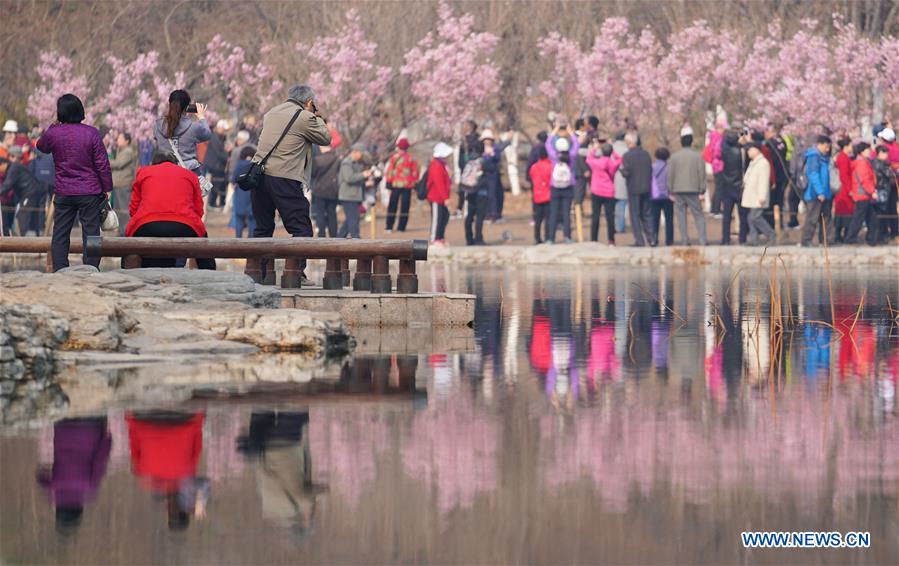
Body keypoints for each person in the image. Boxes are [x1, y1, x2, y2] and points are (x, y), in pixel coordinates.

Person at [252, 85, 331, 282]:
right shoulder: (305, 117)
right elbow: (326, 138)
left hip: (259, 176)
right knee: (301, 227)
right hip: (284, 177)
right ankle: (295, 273)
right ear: (309, 102)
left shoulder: (271, 113)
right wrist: (318, 117)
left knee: (263, 228)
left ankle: (258, 273)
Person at [37, 94, 112, 271]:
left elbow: (41, 146)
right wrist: (107, 187)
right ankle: (91, 268)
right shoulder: (91, 133)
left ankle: (61, 268)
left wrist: (52, 127)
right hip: (89, 191)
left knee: (60, 233)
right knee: (92, 234)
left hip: (64, 191)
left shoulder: (54, 134)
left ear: (60, 113)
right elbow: (102, 164)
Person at [126, 150, 215, 269]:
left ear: (153, 163)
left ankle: (127, 272)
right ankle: (210, 275)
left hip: (146, 224)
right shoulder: (190, 175)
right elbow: (198, 210)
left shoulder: (143, 173)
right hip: (185, 224)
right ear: (175, 163)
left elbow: (133, 209)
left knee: (128, 245)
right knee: (204, 247)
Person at [126, 411, 207, 531]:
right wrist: (130, 417)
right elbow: (134, 442)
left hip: (184, 418)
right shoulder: (146, 480)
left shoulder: (188, 476)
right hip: (144, 417)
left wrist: (199, 416)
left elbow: (197, 444)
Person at [36, 417, 112, 533]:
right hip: (63, 425)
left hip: (92, 426)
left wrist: (107, 439)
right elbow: (40, 478)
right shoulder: (54, 486)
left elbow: (100, 460)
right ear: (58, 509)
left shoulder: (91, 487)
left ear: (79, 510)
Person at [154, 90, 210, 178]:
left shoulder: (158, 126)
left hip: (164, 174)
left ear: (170, 104)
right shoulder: (193, 127)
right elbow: (207, 134)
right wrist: (201, 117)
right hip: (188, 174)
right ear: (187, 107)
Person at [466, 129, 508, 245]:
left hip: (492, 177)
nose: (488, 141)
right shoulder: (477, 156)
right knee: (476, 210)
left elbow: (497, 159)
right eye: (486, 139)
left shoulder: (495, 149)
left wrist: (492, 154)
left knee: (492, 195)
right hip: (479, 184)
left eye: (489, 139)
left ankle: (493, 214)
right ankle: (475, 237)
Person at [668, 128, 708, 246]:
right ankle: (702, 239)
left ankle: (685, 240)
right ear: (691, 141)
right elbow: (702, 173)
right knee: (698, 215)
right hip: (693, 189)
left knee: (681, 216)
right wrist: (702, 188)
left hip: (678, 189)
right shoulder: (698, 156)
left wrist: (670, 189)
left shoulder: (674, 157)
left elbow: (670, 174)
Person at [1, 146, 51, 235]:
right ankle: (34, 237)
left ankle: (26, 241)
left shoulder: (13, 168)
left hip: (30, 192)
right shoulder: (14, 167)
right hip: (34, 191)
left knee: (22, 214)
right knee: (32, 217)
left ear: (3, 164)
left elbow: (7, 185)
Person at [799, 135, 834, 247]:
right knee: (812, 218)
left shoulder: (824, 157)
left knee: (826, 218)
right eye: (826, 146)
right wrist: (819, 192)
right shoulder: (814, 157)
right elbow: (813, 175)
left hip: (825, 193)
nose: (827, 149)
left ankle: (825, 240)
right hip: (815, 194)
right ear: (819, 144)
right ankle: (806, 241)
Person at [619, 132, 654, 246]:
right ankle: (652, 238)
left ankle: (639, 240)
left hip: (633, 188)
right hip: (646, 187)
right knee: (647, 214)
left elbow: (627, 172)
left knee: (635, 215)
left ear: (629, 143)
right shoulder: (646, 154)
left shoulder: (627, 156)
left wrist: (621, 170)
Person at [585, 142, 621, 245]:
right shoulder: (612, 163)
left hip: (596, 191)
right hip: (609, 192)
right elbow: (619, 159)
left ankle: (594, 238)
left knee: (595, 216)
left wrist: (595, 149)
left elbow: (588, 158)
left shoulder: (596, 162)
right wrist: (612, 150)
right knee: (610, 217)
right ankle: (611, 239)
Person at [742, 142, 776, 246]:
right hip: (752, 195)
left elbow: (763, 181)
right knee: (751, 217)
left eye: (750, 150)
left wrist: (762, 196)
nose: (748, 152)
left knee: (755, 217)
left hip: (758, 196)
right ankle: (753, 239)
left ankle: (771, 234)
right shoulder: (754, 162)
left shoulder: (763, 163)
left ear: (756, 150)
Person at [844, 142, 878, 245]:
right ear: (862, 151)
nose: (870, 152)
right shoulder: (862, 163)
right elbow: (864, 180)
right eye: (868, 150)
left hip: (863, 195)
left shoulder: (862, 161)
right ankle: (851, 238)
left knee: (869, 218)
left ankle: (870, 239)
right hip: (862, 195)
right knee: (860, 218)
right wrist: (872, 192)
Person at [384, 138, 419, 233]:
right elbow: (415, 172)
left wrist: (388, 182)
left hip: (395, 184)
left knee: (392, 205)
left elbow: (390, 171)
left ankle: (389, 226)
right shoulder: (411, 158)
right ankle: (401, 227)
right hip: (407, 185)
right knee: (405, 206)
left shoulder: (394, 158)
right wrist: (415, 184)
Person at [719, 130, 747, 245]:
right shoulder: (741, 152)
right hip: (739, 186)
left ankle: (725, 239)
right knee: (743, 215)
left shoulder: (724, 152)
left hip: (727, 186)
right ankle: (742, 238)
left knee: (726, 216)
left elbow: (723, 144)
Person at [338, 143, 369, 239]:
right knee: (353, 220)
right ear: (355, 152)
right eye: (361, 153)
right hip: (348, 196)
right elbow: (349, 178)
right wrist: (363, 175)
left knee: (350, 220)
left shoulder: (358, 163)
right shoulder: (346, 163)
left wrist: (367, 180)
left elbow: (357, 178)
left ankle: (338, 238)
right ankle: (356, 239)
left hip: (356, 196)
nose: (362, 155)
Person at [109, 132, 138, 235]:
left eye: (120, 138)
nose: (118, 140)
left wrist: (106, 160)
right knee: (118, 211)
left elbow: (118, 164)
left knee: (124, 211)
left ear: (127, 141)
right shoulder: (121, 151)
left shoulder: (128, 152)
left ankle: (126, 231)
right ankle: (121, 232)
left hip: (124, 184)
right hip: (118, 184)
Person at [547, 138, 575, 243]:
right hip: (568, 187)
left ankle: (551, 238)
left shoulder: (554, 157)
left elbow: (548, 144)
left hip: (555, 187)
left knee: (553, 213)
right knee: (566, 214)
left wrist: (555, 129)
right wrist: (570, 132)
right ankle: (567, 237)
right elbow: (576, 144)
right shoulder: (571, 157)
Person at [310, 143, 340, 238]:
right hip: (333, 190)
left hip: (319, 190)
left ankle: (321, 235)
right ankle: (334, 236)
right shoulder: (337, 159)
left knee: (320, 214)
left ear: (322, 148)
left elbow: (312, 174)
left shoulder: (317, 160)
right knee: (332, 214)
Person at [427, 142, 453, 246]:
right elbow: (439, 184)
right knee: (437, 218)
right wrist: (445, 197)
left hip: (442, 197)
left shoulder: (442, 165)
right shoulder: (436, 166)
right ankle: (434, 239)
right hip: (436, 197)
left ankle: (440, 237)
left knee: (445, 217)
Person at [764, 124, 789, 229]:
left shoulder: (769, 143)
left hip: (773, 177)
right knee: (779, 203)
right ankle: (779, 224)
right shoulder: (782, 141)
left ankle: (770, 225)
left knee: (771, 202)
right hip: (782, 176)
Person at [875, 128, 898, 240]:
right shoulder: (897, 148)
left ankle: (884, 233)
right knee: (893, 209)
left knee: (883, 210)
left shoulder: (882, 150)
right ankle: (894, 231)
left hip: (884, 187)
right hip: (894, 184)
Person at [229, 146, 257, 238]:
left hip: (240, 195)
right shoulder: (255, 165)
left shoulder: (239, 164)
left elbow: (233, 179)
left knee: (239, 220)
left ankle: (238, 238)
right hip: (253, 195)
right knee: (252, 220)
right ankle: (251, 239)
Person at [456, 120, 481, 217]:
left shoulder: (477, 140)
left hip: (474, 167)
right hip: (465, 167)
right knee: (463, 189)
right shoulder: (464, 140)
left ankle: (470, 210)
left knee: (472, 189)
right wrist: (462, 166)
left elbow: (478, 152)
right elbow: (460, 155)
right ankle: (460, 208)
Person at [529, 145, 553, 244]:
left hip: (537, 196)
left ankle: (537, 238)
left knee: (537, 219)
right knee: (548, 218)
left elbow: (532, 178)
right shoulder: (550, 166)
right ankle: (547, 237)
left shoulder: (534, 167)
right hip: (547, 195)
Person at [704, 116, 728, 216]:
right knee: (720, 188)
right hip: (720, 165)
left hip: (715, 165)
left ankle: (714, 208)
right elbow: (718, 152)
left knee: (718, 187)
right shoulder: (719, 138)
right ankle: (716, 210)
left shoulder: (713, 136)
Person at [873, 145, 897, 243]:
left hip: (886, 190)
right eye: (885, 153)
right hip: (882, 191)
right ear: (880, 153)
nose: (887, 155)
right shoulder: (879, 163)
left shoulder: (883, 163)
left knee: (886, 212)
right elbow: (889, 174)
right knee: (883, 213)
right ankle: (883, 235)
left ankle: (885, 234)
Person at [650, 147, 673, 246]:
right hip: (667, 196)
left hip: (654, 196)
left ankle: (654, 239)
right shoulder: (669, 168)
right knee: (669, 219)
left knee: (654, 219)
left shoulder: (652, 167)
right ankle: (669, 240)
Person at [204, 120, 230, 208]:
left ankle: (213, 202)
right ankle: (211, 203)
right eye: (223, 129)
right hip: (214, 165)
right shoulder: (214, 138)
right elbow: (218, 153)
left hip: (217, 165)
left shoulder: (222, 138)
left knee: (217, 183)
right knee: (214, 184)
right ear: (219, 128)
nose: (224, 131)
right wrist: (227, 158)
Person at [832, 138, 855, 242]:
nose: (852, 147)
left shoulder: (843, 157)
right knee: (844, 211)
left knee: (844, 212)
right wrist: (849, 189)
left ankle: (841, 234)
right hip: (844, 190)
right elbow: (844, 175)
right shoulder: (843, 158)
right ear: (846, 146)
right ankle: (840, 234)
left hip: (844, 189)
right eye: (850, 145)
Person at [612, 132, 629, 233]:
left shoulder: (611, 148)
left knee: (612, 206)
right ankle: (620, 227)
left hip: (610, 179)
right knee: (622, 205)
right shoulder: (627, 149)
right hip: (624, 180)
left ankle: (613, 225)